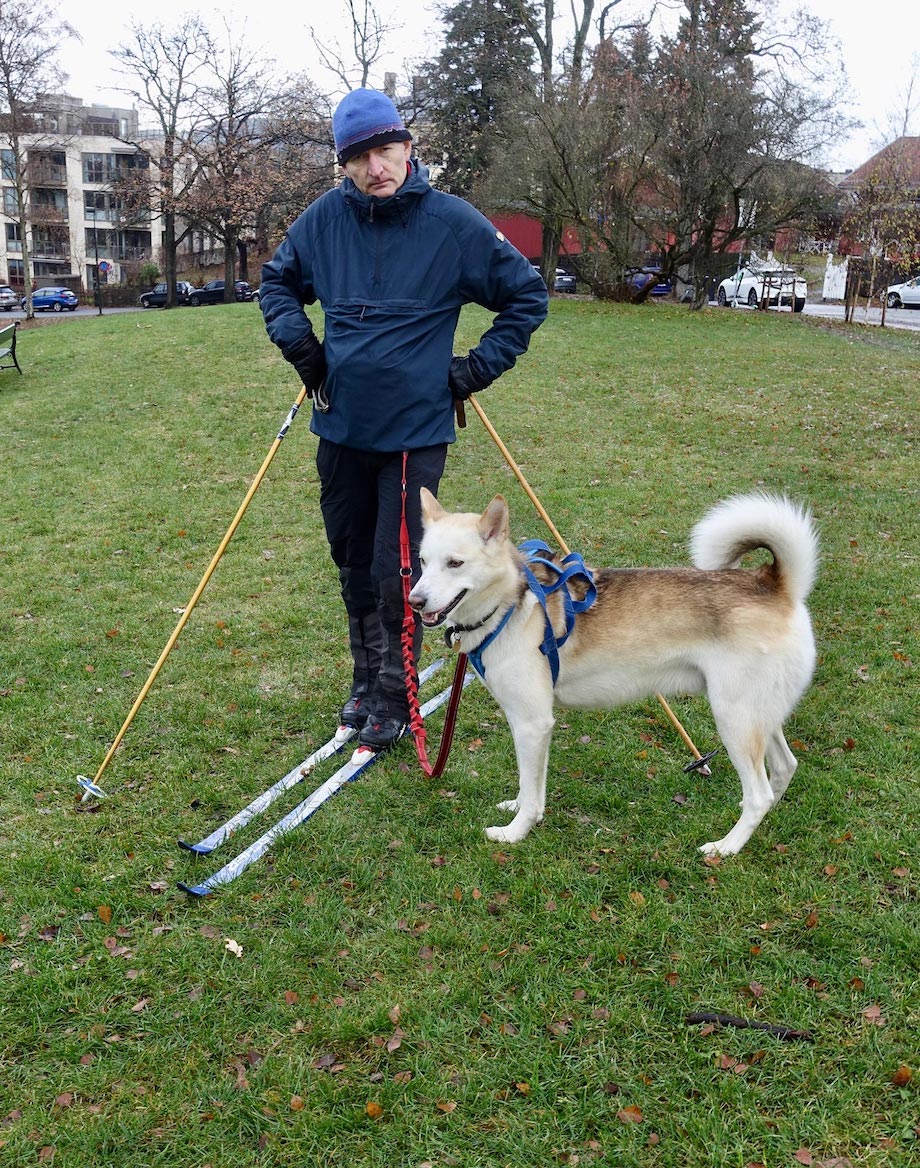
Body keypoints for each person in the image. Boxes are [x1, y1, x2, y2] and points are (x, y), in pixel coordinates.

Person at [260, 87, 548, 752]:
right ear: (344, 164)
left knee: (398, 576)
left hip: (411, 435)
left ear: (407, 147)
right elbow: (277, 281)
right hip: (339, 427)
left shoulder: (451, 223)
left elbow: (525, 298)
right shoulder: (325, 221)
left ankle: (396, 691)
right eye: (358, 157)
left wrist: (473, 371)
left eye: (386, 150)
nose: (375, 167)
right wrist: (298, 341)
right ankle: (366, 682)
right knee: (353, 563)